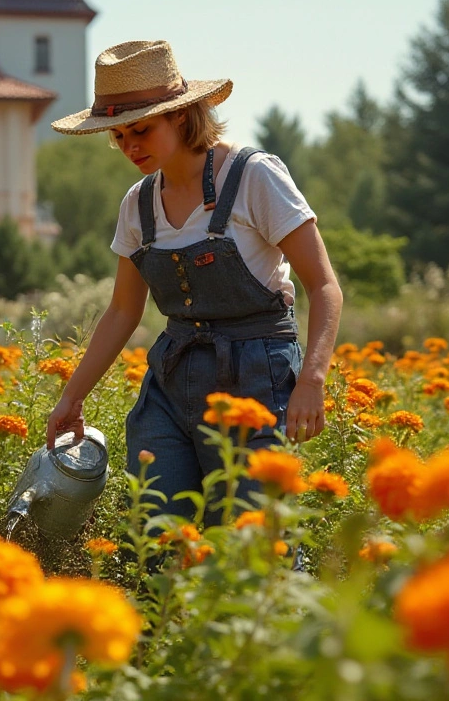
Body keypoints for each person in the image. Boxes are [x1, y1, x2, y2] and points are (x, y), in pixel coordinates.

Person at [45, 40, 343, 528]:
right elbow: (123, 311)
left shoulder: (253, 178)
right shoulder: (137, 205)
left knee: (252, 540)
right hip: (172, 376)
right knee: (159, 532)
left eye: (141, 130)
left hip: (257, 376)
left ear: (181, 116)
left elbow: (324, 286)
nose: (130, 146)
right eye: (118, 136)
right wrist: (71, 397)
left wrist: (312, 380)